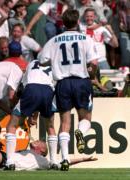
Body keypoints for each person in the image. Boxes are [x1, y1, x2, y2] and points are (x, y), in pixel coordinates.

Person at [39, 9, 98, 171]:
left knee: (65, 121)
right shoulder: (86, 38)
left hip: (63, 83)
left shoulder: (54, 40)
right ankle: (80, 131)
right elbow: (94, 63)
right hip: (81, 81)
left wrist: (56, 62)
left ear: (63, 23)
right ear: (77, 21)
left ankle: (64, 159)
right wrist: (91, 74)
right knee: (85, 117)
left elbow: (42, 61)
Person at [5, 60, 58, 170]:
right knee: (50, 127)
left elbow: (24, 87)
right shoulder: (54, 65)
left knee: (12, 126)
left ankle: (9, 161)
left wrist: (29, 116)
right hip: (48, 91)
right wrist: (33, 116)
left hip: (31, 88)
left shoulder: (31, 63)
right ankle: (54, 161)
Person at [0, 140, 98, 170]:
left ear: (40, 150)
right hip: (4, 160)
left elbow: (62, 163)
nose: (37, 140)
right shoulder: (25, 151)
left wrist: (83, 159)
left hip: (8, 162)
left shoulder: (42, 161)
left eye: (40, 142)